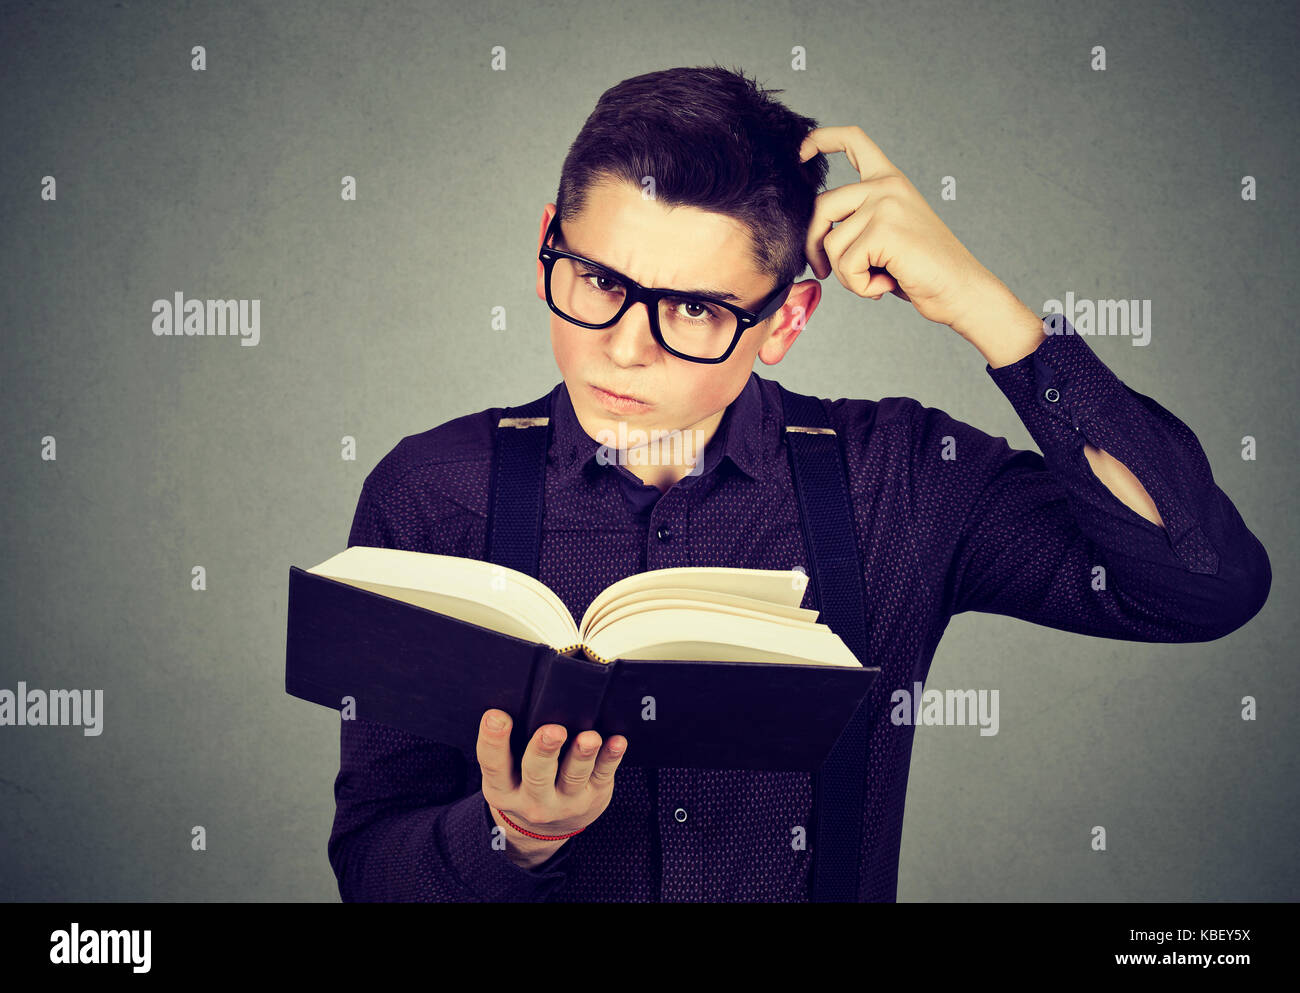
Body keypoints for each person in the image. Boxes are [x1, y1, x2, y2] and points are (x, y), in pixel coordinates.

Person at [326, 65, 1271, 902]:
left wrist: (990, 311)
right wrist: (515, 839)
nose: (622, 345)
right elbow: (372, 866)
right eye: (596, 278)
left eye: (694, 307)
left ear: (786, 320)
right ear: (548, 240)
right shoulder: (432, 490)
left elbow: (1199, 582)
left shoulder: (902, 476)